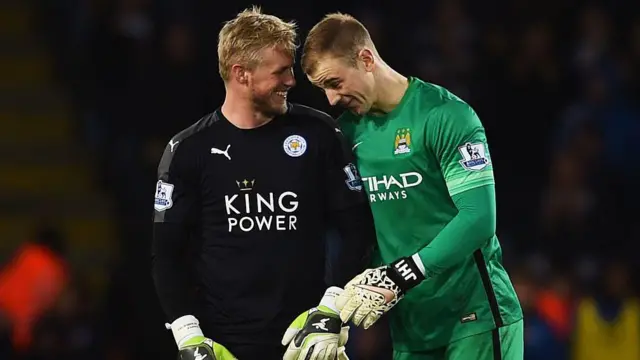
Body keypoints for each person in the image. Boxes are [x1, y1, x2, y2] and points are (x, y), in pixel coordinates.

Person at [151, 7, 375, 360]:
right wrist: (188, 336)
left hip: (305, 341)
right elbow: (166, 253)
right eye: (280, 71)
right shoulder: (188, 150)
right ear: (241, 74)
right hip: (225, 345)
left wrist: (330, 309)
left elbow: (356, 228)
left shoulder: (319, 134)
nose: (291, 81)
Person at [298, 13, 524, 360]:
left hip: (474, 319)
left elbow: (478, 218)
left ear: (366, 59)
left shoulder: (445, 116)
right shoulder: (346, 134)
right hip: (411, 329)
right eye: (323, 88)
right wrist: (334, 311)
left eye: (335, 82)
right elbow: (354, 231)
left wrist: (403, 274)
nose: (331, 99)